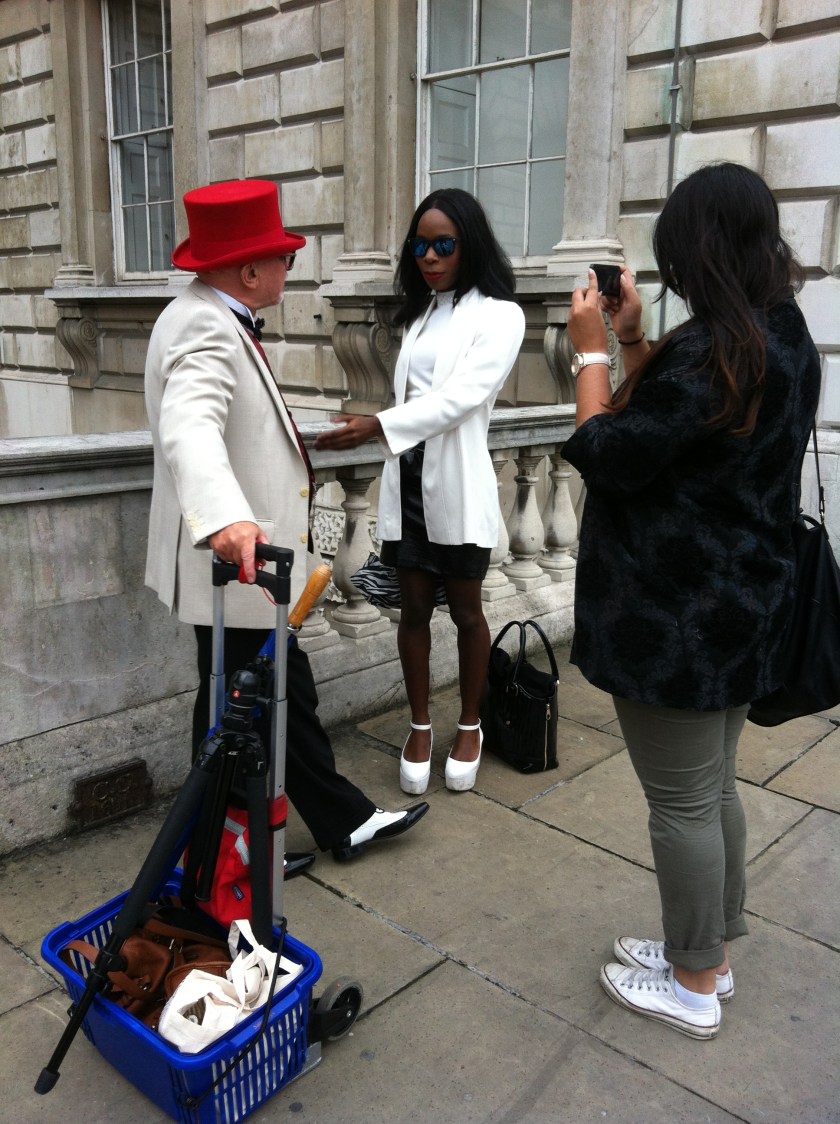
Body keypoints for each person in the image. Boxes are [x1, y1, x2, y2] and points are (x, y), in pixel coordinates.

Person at [562, 163, 821, 1039]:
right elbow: (679, 431)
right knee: (711, 792)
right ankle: (710, 947)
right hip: (743, 608)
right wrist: (637, 341)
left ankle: (694, 979)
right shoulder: (778, 334)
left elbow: (608, 449)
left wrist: (592, 348)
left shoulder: (717, 350)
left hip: (671, 622)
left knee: (681, 803)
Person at [144, 179, 428, 867]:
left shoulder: (209, 315)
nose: (288, 269)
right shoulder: (205, 325)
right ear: (248, 270)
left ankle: (284, 838)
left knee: (261, 703)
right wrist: (226, 519)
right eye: (282, 258)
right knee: (239, 711)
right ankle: (221, 858)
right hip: (238, 565)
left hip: (248, 574)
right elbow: (191, 426)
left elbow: (235, 425)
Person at [315, 188, 525, 794]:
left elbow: (461, 400)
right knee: (410, 611)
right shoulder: (421, 315)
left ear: (469, 246)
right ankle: (419, 725)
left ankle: (469, 724)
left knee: (465, 612)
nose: (429, 256)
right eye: (420, 245)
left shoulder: (500, 315)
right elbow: (417, 402)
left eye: (444, 245)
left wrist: (377, 424)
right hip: (407, 486)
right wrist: (383, 426)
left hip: (456, 488)